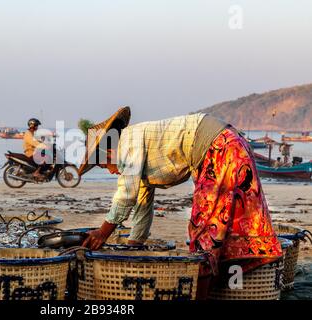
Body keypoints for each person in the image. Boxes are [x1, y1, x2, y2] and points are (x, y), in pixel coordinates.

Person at [79, 107, 282, 298]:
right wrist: (134, 246)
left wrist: (102, 232)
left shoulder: (127, 143)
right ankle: (224, 289)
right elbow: (141, 206)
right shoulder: (136, 157)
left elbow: (126, 195)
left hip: (220, 147)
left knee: (205, 235)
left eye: (104, 165)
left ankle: (204, 295)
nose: (111, 171)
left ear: (107, 152)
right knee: (225, 227)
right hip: (228, 143)